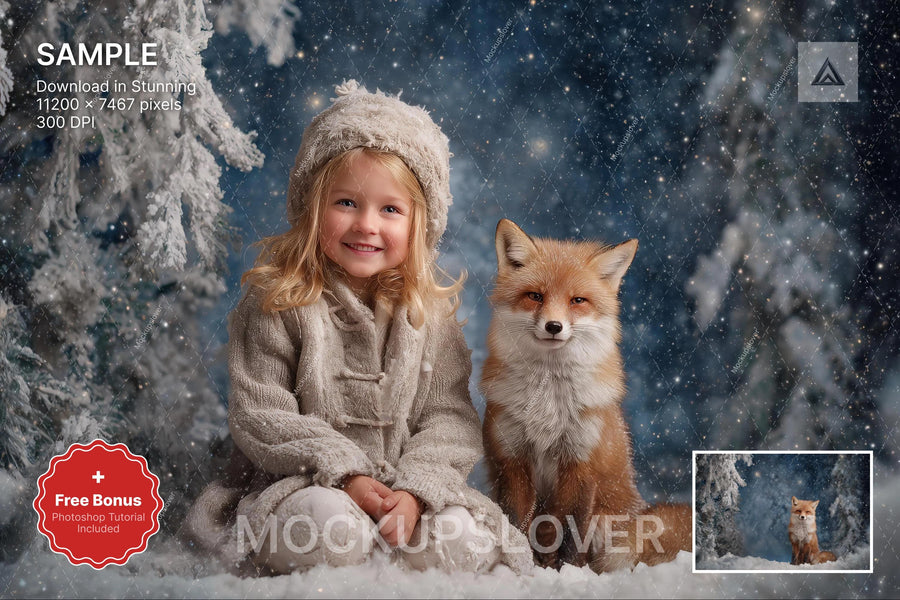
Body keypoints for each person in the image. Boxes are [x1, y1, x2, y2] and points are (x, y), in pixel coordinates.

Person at [183, 80, 531, 575]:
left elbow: (448, 419)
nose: (367, 224)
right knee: (329, 530)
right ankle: (348, 547)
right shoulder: (277, 301)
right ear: (311, 207)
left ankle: (398, 539)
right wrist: (346, 473)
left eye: (390, 209)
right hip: (303, 485)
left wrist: (414, 491)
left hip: (407, 488)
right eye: (346, 202)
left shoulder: (426, 316)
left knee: (463, 543)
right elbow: (261, 413)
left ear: (418, 225)